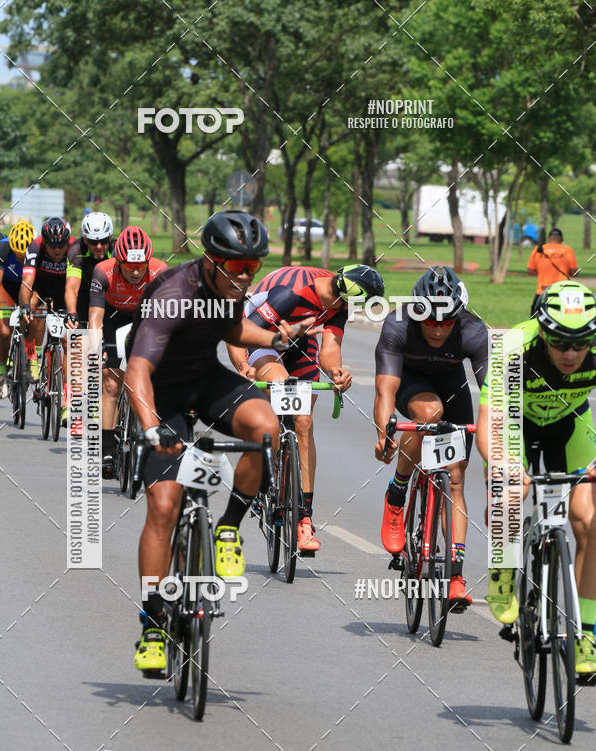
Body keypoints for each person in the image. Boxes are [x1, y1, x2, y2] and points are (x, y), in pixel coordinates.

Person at [124, 210, 316, 673]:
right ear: (210, 261)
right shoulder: (174, 294)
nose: (246, 275)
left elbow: (230, 330)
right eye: (236, 266)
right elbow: (137, 370)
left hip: (205, 381)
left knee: (267, 429)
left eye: (253, 266)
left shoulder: (230, 287)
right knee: (165, 506)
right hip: (160, 395)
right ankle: (153, 623)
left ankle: (228, 526)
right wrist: (151, 428)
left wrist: (274, 335)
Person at [476, 281, 596, 674]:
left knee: (591, 522)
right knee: (508, 493)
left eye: (581, 344)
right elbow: (489, 423)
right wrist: (505, 465)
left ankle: (585, 633)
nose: (572, 353)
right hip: (514, 424)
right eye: (561, 342)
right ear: (542, 330)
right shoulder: (515, 346)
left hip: (571, 425)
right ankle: (504, 568)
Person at [227, 263, 383, 552]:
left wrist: (337, 371)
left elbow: (330, 347)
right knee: (281, 381)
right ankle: (266, 463)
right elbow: (240, 330)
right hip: (262, 334)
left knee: (304, 422)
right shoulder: (290, 293)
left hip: (300, 341)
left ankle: (304, 520)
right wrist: (244, 366)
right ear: (345, 295)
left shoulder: (341, 301)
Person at [374, 265, 488, 612]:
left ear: (459, 316)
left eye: (446, 322)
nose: (438, 329)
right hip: (411, 383)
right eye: (430, 321)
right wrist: (385, 432)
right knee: (428, 415)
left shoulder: (473, 331)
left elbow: (495, 399)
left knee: (455, 477)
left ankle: (455, 576)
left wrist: (496, 457)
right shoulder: (397, 324)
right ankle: (398, 492)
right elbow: (385, 392)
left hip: (453, 389)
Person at [88, 225, 167, 477]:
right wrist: (95, 344)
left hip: (145, 318)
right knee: (111, 384)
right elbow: (95, 317)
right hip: (113, 316)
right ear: (118, 260)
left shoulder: (159, 271)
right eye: (129, 266)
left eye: (140, 266)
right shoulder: (103, 271)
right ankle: (108, 450)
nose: (135, 272)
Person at [19, 217, 75, 388]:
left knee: (67, 339)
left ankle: (66, 394)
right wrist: (25, 307)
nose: (57, 250)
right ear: (45, 242)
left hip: (64, 289)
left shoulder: (75, 248)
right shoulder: (36, 246)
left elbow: (76, 286)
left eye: (61, 246)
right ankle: (32, 356)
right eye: (52, 246)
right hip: (40, 287)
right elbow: (27, 282)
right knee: (31, 305)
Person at [0, 220, 35, 398]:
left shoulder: (37, 250)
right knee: (4, 331)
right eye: (18, 254)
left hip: (27, 286)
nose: (21, 257)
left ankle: (32, 357)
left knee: (32, 317)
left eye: (24, 254)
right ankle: (1, 371)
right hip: (6, 286)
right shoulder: (2, 249)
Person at [65, 211, 114, 327]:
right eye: (93, 242)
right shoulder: (76, 251)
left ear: (110, 238)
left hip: (110, 296)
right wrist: (72, 312)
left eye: (103, 241)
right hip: (84, 295)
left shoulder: (116, 250)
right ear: (86, 240)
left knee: (109, 340)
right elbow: (71, 288)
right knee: (74, 339)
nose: (99, 246)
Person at [527, 228, 578, 316]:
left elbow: (530, 271)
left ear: (548, 239)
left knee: (536, 318)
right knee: (563, 319)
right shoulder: (568, 250)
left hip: (542, 291)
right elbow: (574, 273)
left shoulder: (539, 249)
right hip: (562, 292)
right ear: (561, 239)